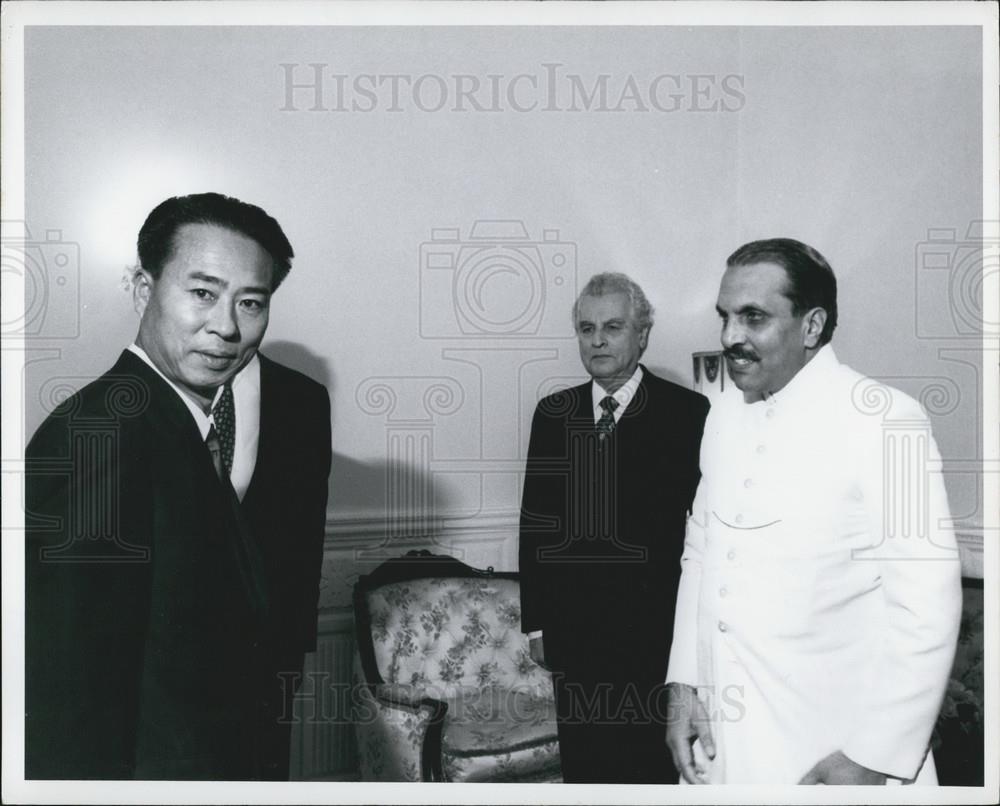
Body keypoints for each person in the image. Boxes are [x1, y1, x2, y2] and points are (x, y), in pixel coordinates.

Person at [25, 193, 332, 780]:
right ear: (143, 289)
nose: (226, 327)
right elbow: (69, 703)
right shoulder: (100, 436)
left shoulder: (171, 423)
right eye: (202, 293)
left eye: (251, 302)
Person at [665, 238, 962, 785]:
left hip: (833, 755)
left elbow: (927, 607)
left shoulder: (885, 421)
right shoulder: (722, 415)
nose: (731, 337)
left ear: (811, 325)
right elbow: (701, 554)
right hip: (722, 748)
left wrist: (872, 757)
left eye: (753, 317)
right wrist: (684, 684)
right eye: (725, 317)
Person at [518, 272, 710, 783]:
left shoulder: (688, 413)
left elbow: (701, 533)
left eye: (613, 327)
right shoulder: (553, 414)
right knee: (586, 765)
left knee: (648, 767)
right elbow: (536, 524)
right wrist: (536, 622)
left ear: (642, 334)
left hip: (652, 631)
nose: (597, 340)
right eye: (586, 328)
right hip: (573, 632)